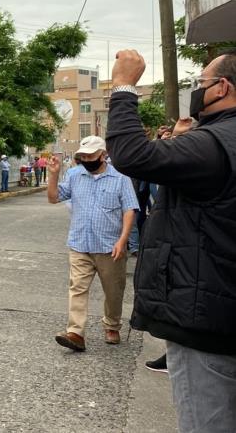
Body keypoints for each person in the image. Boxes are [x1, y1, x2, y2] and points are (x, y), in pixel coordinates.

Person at [106, 49, 236, 432]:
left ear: (222, 88)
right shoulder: (214, 142)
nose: (197, 91)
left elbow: (130, 153)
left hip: (208, 320)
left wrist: (124, 86)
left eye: (201, 84)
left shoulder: (217, 142)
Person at [47, 136, 138, 352]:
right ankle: (75, 333)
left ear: (103, 155)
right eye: (83, 156)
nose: (87, 159)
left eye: (91, 156)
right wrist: (52, 176)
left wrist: (123, 240)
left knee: (113, 291)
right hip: (80, 244)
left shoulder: (120, 178)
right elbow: (53, 198)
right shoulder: (74, 174)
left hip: (110, 246)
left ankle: (112, 325)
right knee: (77, 288)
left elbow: (129, 209)